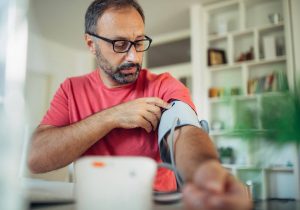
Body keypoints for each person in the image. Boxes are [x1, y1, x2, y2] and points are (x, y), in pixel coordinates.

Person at [28, 0, 252, 209]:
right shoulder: (71, 90)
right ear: (91, 44)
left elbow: (185, 132)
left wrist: (206, 170)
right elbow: (35, 158)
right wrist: (112, 116)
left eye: (138, 42)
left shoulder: (164, 85)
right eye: (120, 44)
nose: (133, 57)